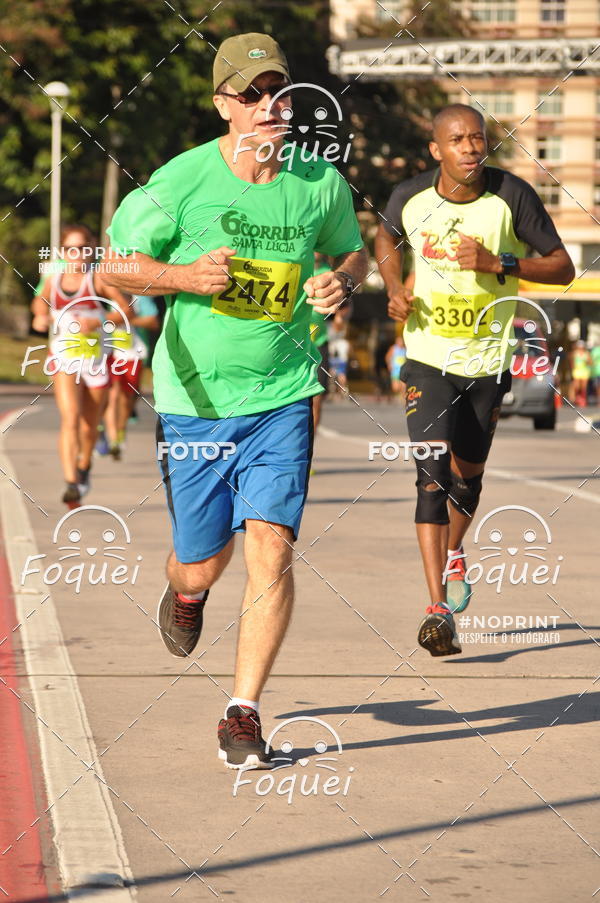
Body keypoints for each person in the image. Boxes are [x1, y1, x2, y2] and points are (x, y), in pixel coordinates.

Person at [103, 33, 368, 768]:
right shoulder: (182, 179)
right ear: (223, 103)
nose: (267, 105)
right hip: (194, 401)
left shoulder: (320, 183)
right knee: (201, 560)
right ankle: (186, 594)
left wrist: (344, 279)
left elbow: (355, 250)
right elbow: (118, 264)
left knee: (272, 549)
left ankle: (243, 710)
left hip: (285, 393)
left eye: (277, 90)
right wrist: (185, 278)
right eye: (250, 93)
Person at [375, 103, 575, 657]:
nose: (470, 148)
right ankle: (437, 609)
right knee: (431, 477)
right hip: (427, 358)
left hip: (487, 361)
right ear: (436, 149)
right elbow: (386, 241)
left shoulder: (511, 196)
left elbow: (562, 267)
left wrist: (500, 264)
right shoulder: (409, 197)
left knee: (468, 478)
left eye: (478, 139)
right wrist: (394, 287)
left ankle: (456, 551)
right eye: (457, 140)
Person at [31, 224, 128, 507]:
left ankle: (84, 464)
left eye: (83, 248)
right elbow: (39, 304)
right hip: (64, 358)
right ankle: (71, 482)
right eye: (71, 249)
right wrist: (39, 316)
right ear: (63, 252)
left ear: (92, 249)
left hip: (96, 360)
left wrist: (99, 321)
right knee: (70, 419)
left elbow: (125, 310)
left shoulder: (98, 280)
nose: (78, 255)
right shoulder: (55, 278)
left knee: (89, 426)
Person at [103, 294, 160, 459]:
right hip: (110, 352)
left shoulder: (141, 297)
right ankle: (113, 440)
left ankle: (120, 430)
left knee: (127, 397)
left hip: (134, 354)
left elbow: (152, 322)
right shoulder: (105, 293)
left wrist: (126, 320)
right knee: (112, 395)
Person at [568, 340, 592, 407]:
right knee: (577, 386)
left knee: (583, 387)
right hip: (577, 371)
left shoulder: (586, 353)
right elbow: (571, 360)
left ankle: (583, 399)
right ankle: (577, 398)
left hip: (584, 371)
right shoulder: (574, 353)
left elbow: (590, 362)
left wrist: (587, 361)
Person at [385, 330, 406, 401]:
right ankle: (397, 394)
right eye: (398, 341)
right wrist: (389, 365)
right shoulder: (393, 348)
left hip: (403, 370)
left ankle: (403, 398)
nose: (400, 343)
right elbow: (387, 357)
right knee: (395, 388)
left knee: (403, 386)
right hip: (395, 370)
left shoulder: (405, 349)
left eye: (401, 341)